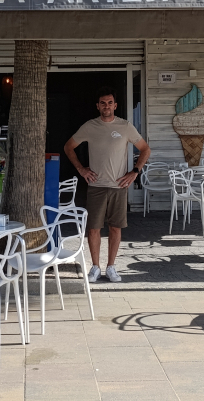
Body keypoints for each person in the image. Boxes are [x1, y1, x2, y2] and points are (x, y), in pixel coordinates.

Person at [64, 87, 151, 282]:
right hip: (96, 185)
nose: (106, 106)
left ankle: (111, 267)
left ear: (115, 105)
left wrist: (134, 172)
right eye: (103, 103)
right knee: (94, 228)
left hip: (119, 186)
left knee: (115, 227)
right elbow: (68, 147)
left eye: (110, 103)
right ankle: (95, 267)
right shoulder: (89, 126)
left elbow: (145, 149)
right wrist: (81, 169)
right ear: (98, 106)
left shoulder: (125, 126)